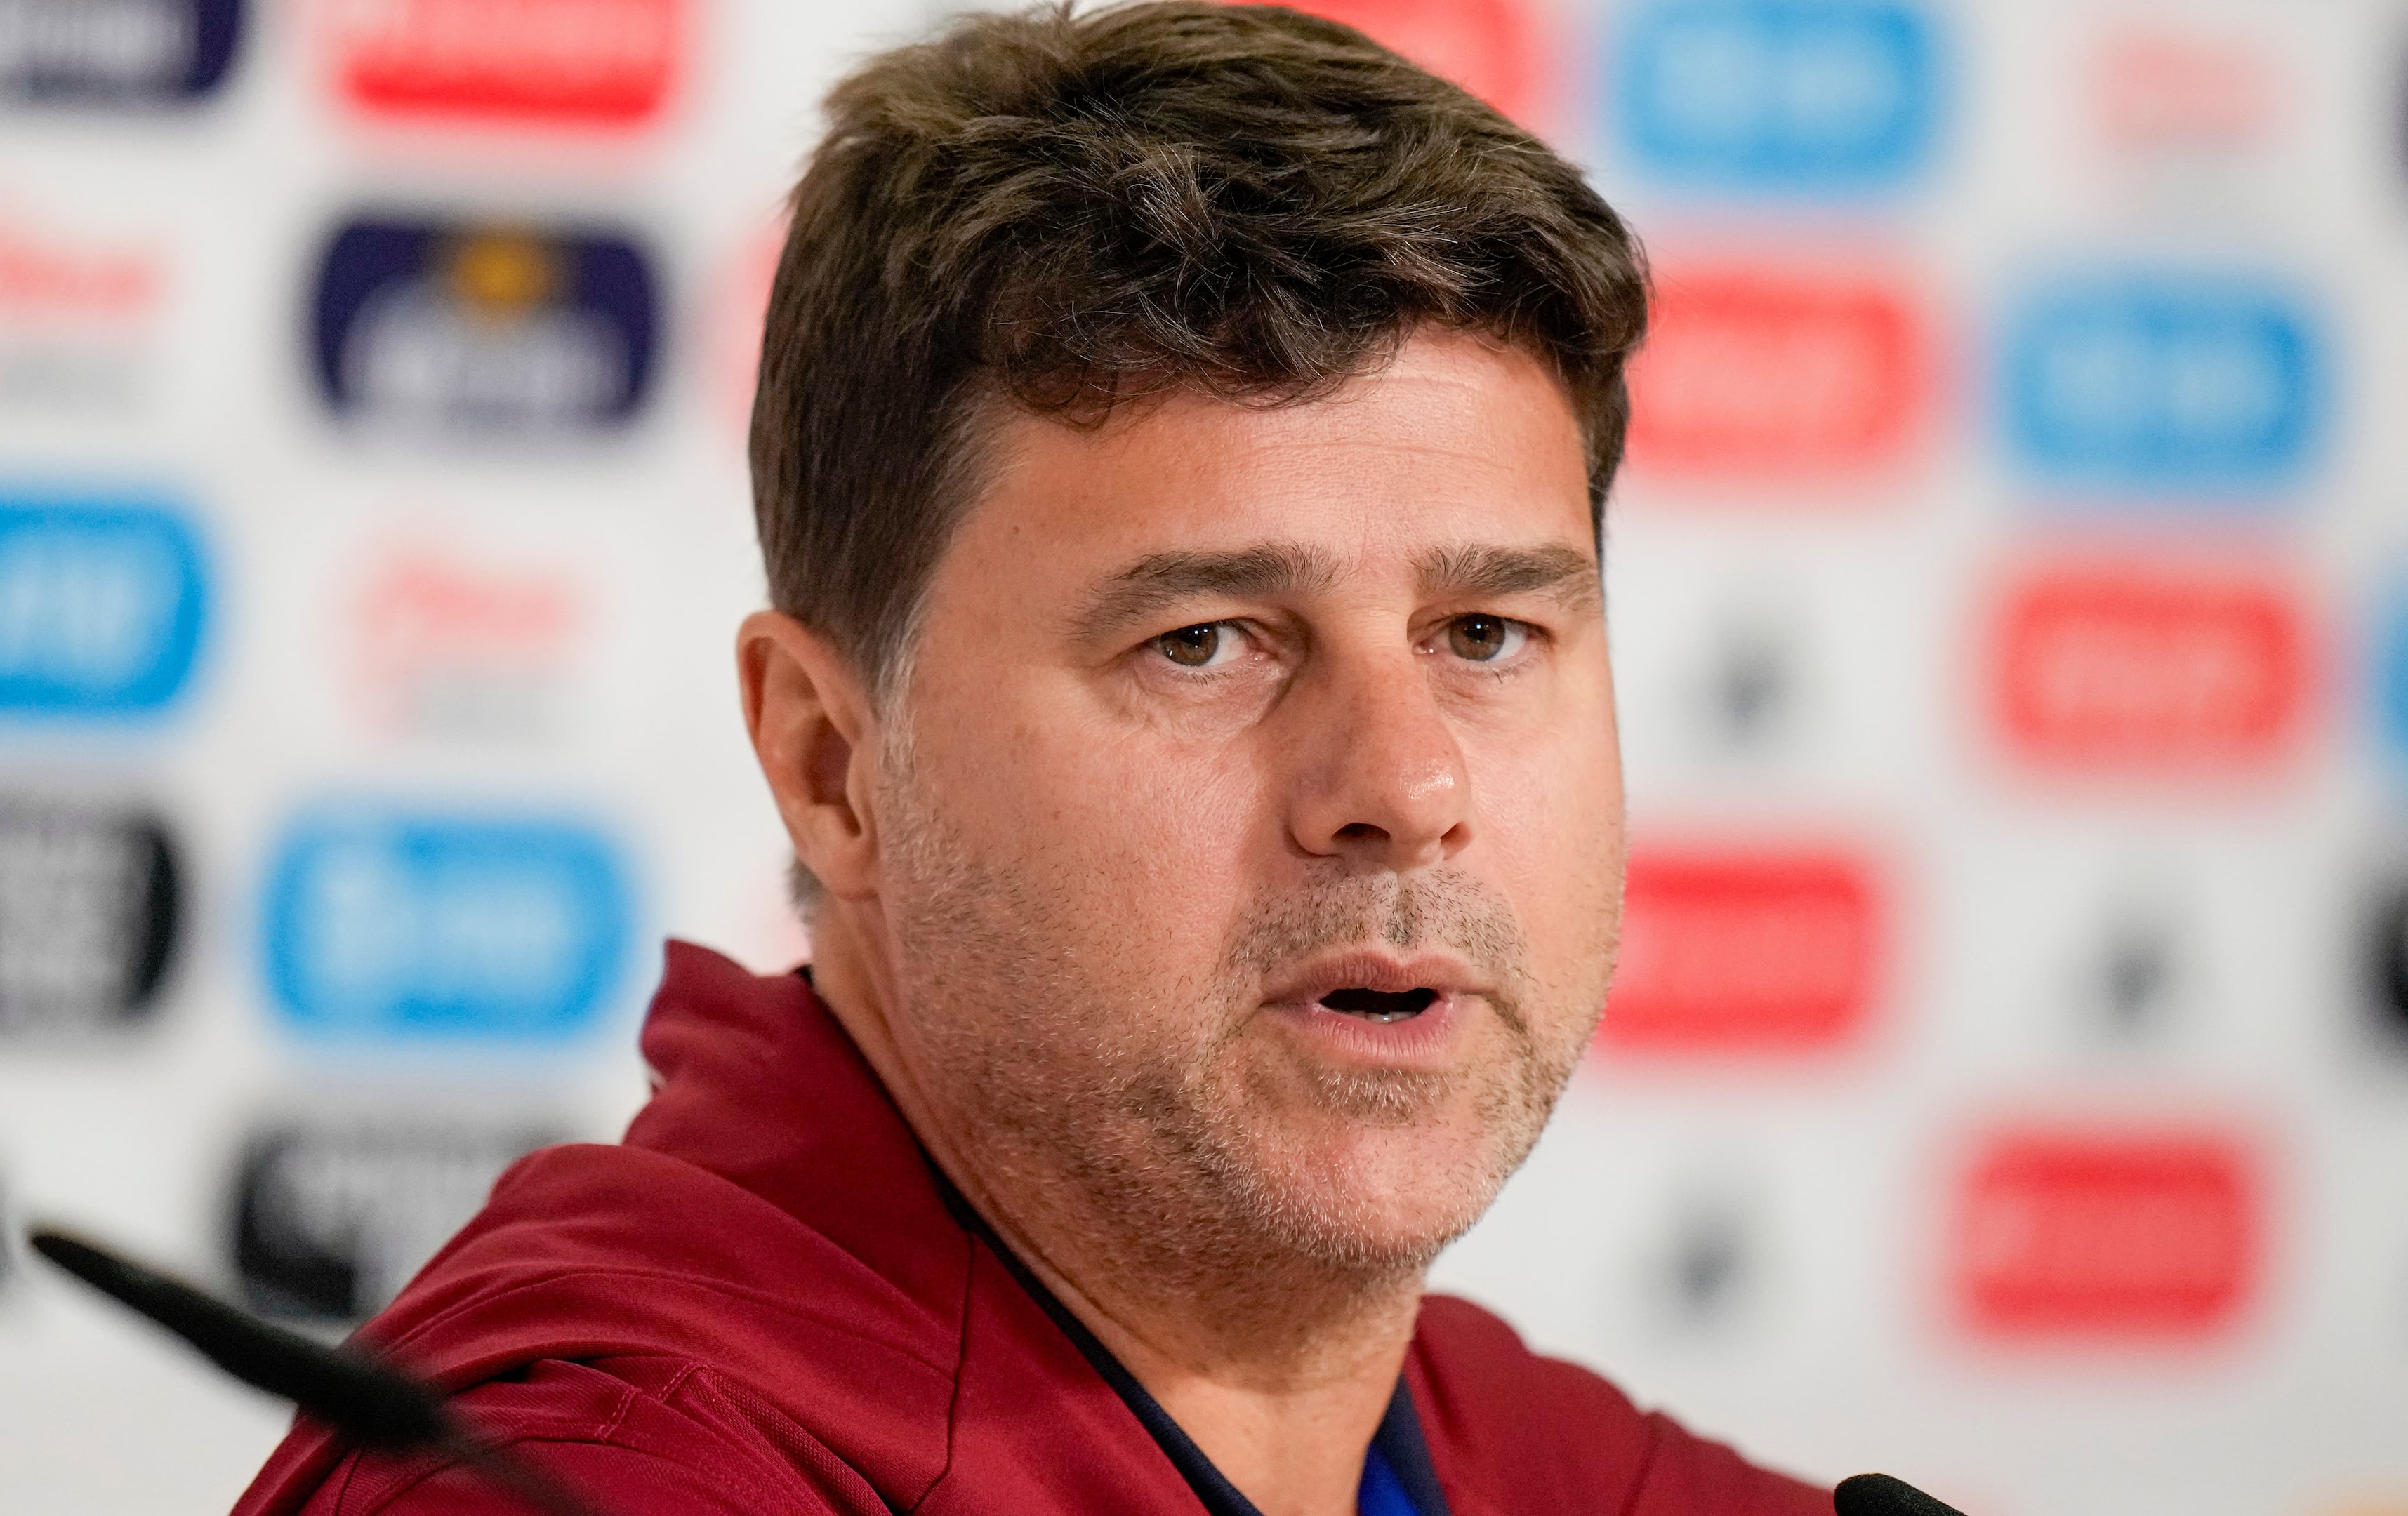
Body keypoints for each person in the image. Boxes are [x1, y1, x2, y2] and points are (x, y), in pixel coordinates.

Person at [234, 4, 1835, 1512]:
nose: (1404, 789)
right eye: (1205, 640)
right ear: (830, 765)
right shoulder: (600, 1471)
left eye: (1483, 633)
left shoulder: (1540, 1462)